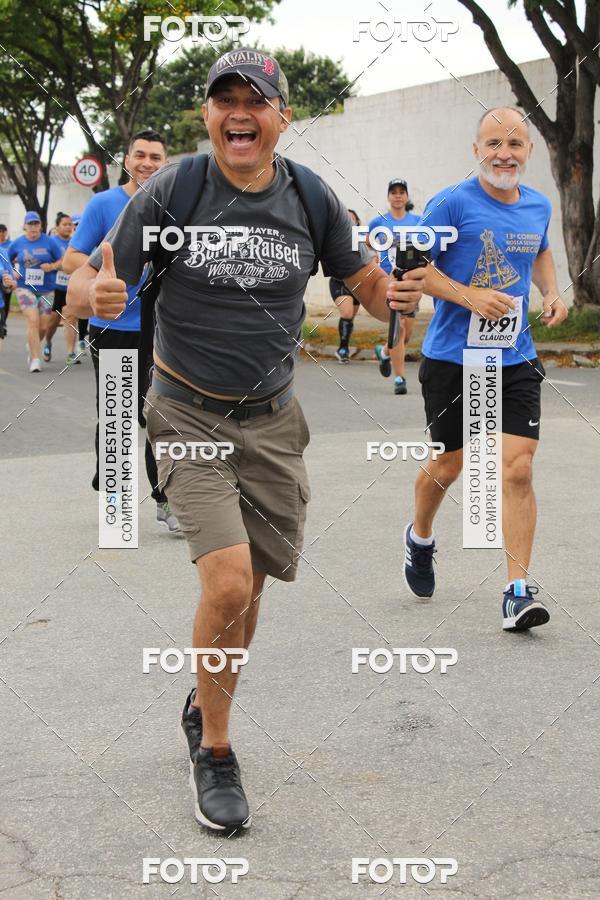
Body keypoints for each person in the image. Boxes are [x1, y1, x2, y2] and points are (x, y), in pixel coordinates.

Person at [67, 47, 425, 833]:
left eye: (254, 100)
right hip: (186, 410)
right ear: (207, 116)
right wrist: (91, 292)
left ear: (279, 117)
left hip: (273, 419)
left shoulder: (309, 196)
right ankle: (217, 752)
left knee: (252, 587)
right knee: (227, 583)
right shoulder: (175, 189)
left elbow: (356, 279)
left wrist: (386, 291)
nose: (239, 112)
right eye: (223, 99)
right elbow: (87, 276)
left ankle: (203, 699)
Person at [403, 106, 568, 631]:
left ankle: (516, 591)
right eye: (494, 143)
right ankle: (420, 537)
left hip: (515, 355)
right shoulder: (452, 203)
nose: (504, 153)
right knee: (448, 466)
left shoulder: (538, 204)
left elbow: (540, 251)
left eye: (515, 144)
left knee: (517, 467)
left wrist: (551, 290)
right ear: (476, 150)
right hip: (454, 357)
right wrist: (468, 295)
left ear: (528, 153)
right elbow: (412, 267)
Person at [63, 130, 179, 532]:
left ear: (166, 163)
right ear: (126, 159)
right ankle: (115, 502)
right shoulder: (103, 204)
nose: (147, 163)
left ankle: (167, 500)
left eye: (156, 157)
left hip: (162, 329)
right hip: (112, 327)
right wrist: (99, 281)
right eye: (140, 155)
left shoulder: (174, 206)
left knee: (162, 415)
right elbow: (73, 258)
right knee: (116, 417)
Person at [369, 179, 422, 394]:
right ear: (388, 197)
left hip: (411, 283)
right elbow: (368, 245)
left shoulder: (419, 221)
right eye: (393, 192)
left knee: (407, 333)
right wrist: (374, 262)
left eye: (402, 192)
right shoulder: (378, 222)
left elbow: (426, 247)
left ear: (407, 196)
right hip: (390, 282)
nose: (398, 196)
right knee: (398, 328)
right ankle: (400, 378)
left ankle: (384, 351)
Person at [8, 211, 62, 372]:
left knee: (44, 326)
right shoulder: (17, 243)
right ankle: (35, 359)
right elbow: (7, 260)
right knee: (33, 320)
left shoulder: (49, 242)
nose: (33, 227)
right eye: (30, 224)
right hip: (25, 288)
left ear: (40, 225)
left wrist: (52, 266)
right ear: (24, 226)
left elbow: (61, 260)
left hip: (47, 290)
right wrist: (13, 273)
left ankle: (32, 344)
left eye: (36, 224)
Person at [43, 213, 80, 365]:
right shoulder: (51, 242)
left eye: (70, 224)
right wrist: (56, 265)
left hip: (71, 286)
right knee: (53, 321)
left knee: (70, 316)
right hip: (55, 287)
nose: (68, 227)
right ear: (57, 226)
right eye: (64, 224)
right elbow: (45, 264)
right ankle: (48, 342)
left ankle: (71, 352)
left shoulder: (77, 242)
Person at [329, 208, 361, 362]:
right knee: (347, 313)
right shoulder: (334, 239)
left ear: (357, 222)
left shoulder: (364, 241)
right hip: (339, 281)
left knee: (349, 318)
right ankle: (343, 349)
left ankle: (344, 346)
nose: (349, 221)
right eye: (346, 218)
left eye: (352, 219)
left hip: (358, 284)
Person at [70, 215, 88, 355]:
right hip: (65, 284)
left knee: (83, 312)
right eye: (76, 224)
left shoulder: (92, 239)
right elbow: (65, 262)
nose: (78, 227)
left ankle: (81, 339)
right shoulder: (69, 242)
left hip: (85, 282)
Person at [0, 225, 12, 331]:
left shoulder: (7, 247)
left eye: (4, 231)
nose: (2, 233)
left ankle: (3, 322)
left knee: (6, 300)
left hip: (6, 276)